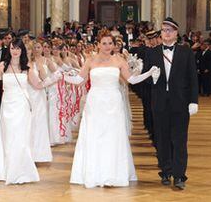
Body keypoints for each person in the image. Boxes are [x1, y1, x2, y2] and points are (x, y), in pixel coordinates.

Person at [65, 29, 159, 188]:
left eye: (110, 43)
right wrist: (64, 77)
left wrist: (149, 72)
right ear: (98, 44)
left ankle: (114, 172)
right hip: (95, 102)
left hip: (113, 102)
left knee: (113, 135)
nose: (107, 46)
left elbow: (132, 80)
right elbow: (79, 80)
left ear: (114, 45)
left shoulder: (119, 61)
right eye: (104, 43)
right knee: (95, 135)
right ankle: (93, 172)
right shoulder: (90, 60)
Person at [0, 38, 60, 184]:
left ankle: (22, 170)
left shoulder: (27, 68)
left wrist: (53, 79)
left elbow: (38, 85)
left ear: (22, 50)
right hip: (7, 108)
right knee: (8, 137)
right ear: (9, 50)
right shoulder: (2, 66)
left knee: (21, 138)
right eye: (13, 48)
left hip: (22, 107)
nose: (15, 51)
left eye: (18, 48)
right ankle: (7, 170)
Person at [143, 17, 199, 190]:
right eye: (163, 30)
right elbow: (145, 79)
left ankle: (180, 175)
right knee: (162, 138)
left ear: (176, 33)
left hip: (180, 102)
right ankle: (166, 171)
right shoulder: (152, 53)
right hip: (159, 102)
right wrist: (151, 79)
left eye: (169, 30)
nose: (166, 33)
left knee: (180, 139)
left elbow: (192, 78)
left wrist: (193, 101)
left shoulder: (186, 52)